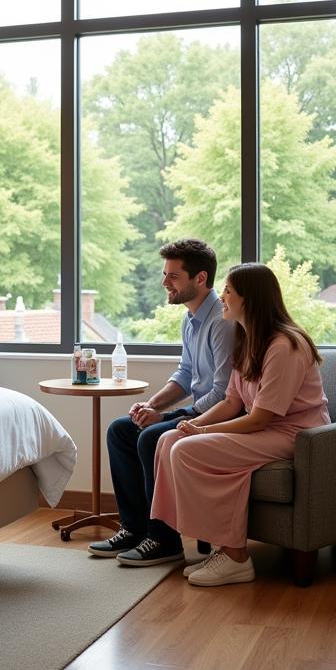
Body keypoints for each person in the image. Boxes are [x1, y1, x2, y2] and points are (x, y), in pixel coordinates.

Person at [146, 262, 331, 587]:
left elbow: (261, 417)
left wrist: (203, 432)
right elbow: (232, 402)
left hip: (295, 436)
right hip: (265, 430)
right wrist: (193, 422)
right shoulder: (247, 341)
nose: (224, 298)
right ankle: (220, 547)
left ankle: (236, 558)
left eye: (229, 291)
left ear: (250, 299)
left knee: (187, 450)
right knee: (169, 440)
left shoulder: (284, 346)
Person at [90, 238, 234, 565]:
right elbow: (186, 373)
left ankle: (164, 539)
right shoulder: (190, 318)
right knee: (121, 430)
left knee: (151, 437)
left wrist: (170, 415)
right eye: (164, 274)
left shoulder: (221, 324)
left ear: (200, 279)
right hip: (199, 410)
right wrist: (152, 406)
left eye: (173, 276)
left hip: (220, 417)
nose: (164, 282)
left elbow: (224, 393)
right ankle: (135, 528)